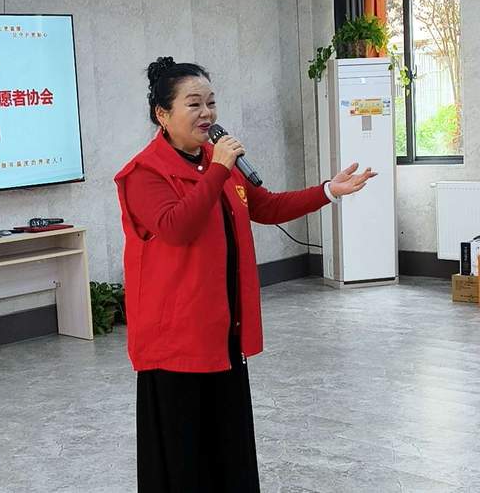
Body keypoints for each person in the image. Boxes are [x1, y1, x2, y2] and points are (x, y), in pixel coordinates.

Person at [114, 56, 376, 492]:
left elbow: (265, 205)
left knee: (228, 448)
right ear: (162, 114)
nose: (207, 113)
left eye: (211, 103)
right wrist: (219, 168)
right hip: (174, 341)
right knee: (184, 459)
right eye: (193, 104)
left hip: (221, 330)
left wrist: (329, 190)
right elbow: (177, 227)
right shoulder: (145, 173)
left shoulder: (217, 162)